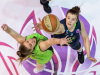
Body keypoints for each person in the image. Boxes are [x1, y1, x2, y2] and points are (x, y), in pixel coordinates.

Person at [33, 6, 97, 64]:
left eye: (73, 19)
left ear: (76, 20)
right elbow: (53, 31)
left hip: (73, 39)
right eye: (68, 18)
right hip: (60, 39)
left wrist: (88, 56)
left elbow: (85, 38)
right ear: (66, 17)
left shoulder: (79, 23)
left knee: (79, 47)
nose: (69, 21)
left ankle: (80, 53)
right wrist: (44, 27)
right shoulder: (61, 26)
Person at [1, 24, 71, 74]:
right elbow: (50, 41)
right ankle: (40, 69)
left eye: (27, 41)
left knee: (28, 49)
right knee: (39, 65)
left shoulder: (23, 41)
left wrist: (7, 29)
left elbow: (12, 33)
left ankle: (34, 59)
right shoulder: (41, 46)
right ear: (31, 50)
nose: (30, 40)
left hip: (35, 54)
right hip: (44, 57)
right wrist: (59, 40)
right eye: (30, 44)